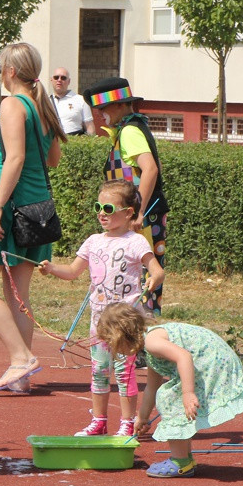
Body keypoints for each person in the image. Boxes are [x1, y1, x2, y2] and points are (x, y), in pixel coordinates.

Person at [0, 42, 66, 394]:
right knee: (17, 294)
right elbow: (52, 160)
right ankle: (20, 373)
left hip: (7, 204)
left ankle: (22, 358)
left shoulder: (11, 104)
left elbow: (15, 158)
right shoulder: (42, 104)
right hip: (35, 207)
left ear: (9, 71)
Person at [39, 179, 164, 436]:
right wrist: (51, 268)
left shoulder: (136, 242)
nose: (101, 213)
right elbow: (73, 271)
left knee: (124, 372)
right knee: (98, 371)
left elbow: (157, 270)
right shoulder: (93, 241)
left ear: (128, 213)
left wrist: (154, 280)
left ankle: (127, 423)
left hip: (124, 323)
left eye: (108, 209)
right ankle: (99, 420)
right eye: (98, 207)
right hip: (99, 321)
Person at [96, 303, 243, 478]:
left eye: (111, 343)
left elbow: (184, 356)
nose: (113, 349)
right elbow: (152, 386)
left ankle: (180, 462)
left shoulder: (152, 342)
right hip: (213, 359)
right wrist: (142, 418)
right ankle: (185, 458)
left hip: (213, 361)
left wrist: (188, 393)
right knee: (168, 396)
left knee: (170, 399)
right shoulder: (150, 347)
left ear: (121, 335)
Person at [83, 77, 169, 317]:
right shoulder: (133, 128)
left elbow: (151, 169)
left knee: (141, 278)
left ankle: (140, 331)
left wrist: (138, 211)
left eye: (103, 109)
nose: (100, 115)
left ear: (120, 105)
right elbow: (157, 164)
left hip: (141, 217)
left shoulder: (130, 131)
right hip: (139, 214)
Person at [49, 67, 94, 135]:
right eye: (56, 77)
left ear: (69, 81)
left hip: (74, 142)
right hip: (52, 142)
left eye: (63, 78)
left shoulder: (81, 100)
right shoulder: (45, 101)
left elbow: (89, 126)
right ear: (51, 80)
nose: (59, 80)